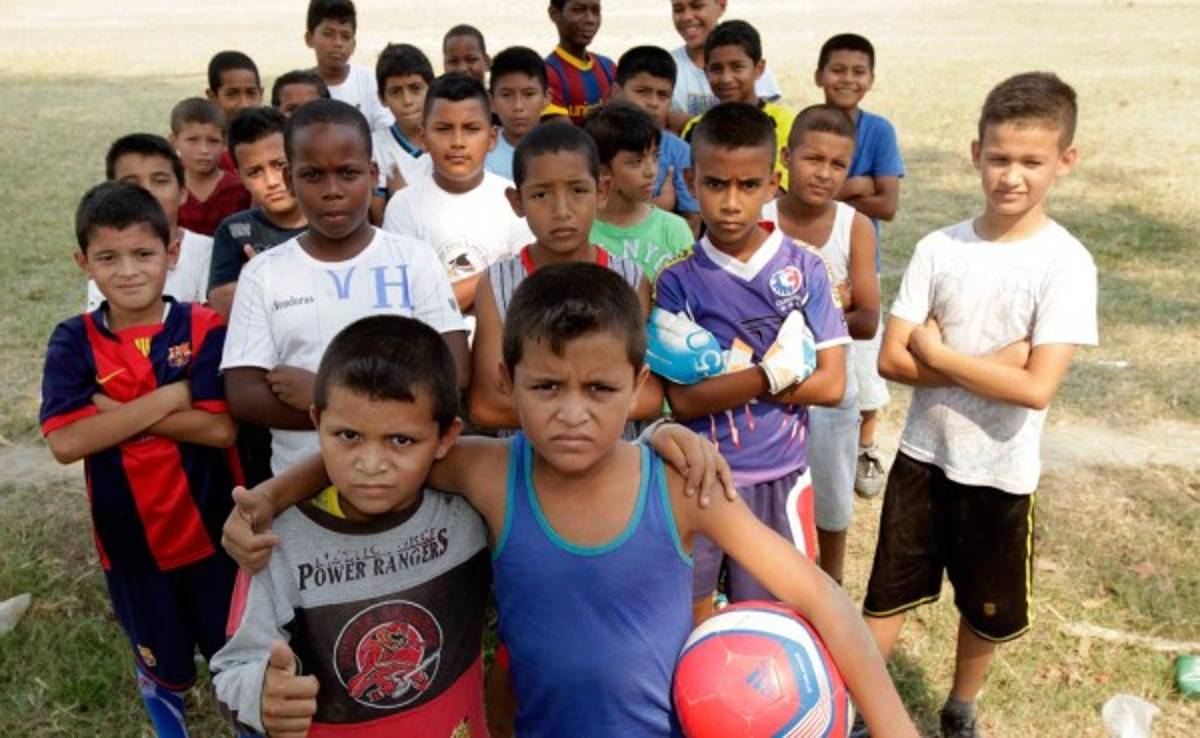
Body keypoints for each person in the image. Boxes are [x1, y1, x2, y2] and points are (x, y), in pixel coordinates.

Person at [221, 264, 918, 738]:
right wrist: (269, 497)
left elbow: (820, 597)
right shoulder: (490, 472)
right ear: (507, 381)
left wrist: (894, 729)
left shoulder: (680, 485)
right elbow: (378, 445)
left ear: (638, 385)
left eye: (600, 390)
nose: (573, 413)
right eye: (547, 387)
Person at [862, 72, 1097, 738]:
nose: (1011, 176)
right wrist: (999, 364)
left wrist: (937, 354)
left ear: (1065, 161)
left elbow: (1036, 387)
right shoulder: (940, 248)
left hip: (1000, 469)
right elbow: (890, 360)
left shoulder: (1066, 264)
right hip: (922, 455)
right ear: (975, 153)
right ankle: (860, 707)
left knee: (985, 605)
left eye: (1031, 162)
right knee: (887, 593)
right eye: (999, 158)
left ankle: (961, 705)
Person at [212, 315, 491, 737]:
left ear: (446, 438)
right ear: (317, 422)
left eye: (400, 440)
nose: (370, 464)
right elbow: (233, 669)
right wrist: (261, 696)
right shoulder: (278, 544)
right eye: (348, 435)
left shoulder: (469, 516)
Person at [42, 181, 240, 738]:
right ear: (84, 263)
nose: (128, 271)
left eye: (143, 253)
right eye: (108, 257)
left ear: (172, 253)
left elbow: (219, 429)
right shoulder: (73, 340)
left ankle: (248, 724)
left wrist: (110, 413)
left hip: (215, 539)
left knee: (233, 656)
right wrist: (171, 396)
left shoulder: (203, 326)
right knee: (162, 665)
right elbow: (66, 443)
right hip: (130, 547)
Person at [655, 102, 849, 617]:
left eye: (748, 186)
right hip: (697, 478)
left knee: (772, 619)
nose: (731, 203)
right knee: (687, 615)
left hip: (779, 475)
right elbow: (682, 400)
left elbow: (831, 386)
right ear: (691, 181)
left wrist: (730, 380)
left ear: (772, 185)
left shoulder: (805, 268)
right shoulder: (676, 279)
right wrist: (772, 372)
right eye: (715, 184)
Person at [220, 99, 468, 478]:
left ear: (372, 174)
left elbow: (454, 371)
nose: (332, 190)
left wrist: (324, 394)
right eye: (313, 175)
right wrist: (388, 409)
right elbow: (245, 395)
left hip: (407, 481)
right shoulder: (263, 274)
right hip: (302, 487)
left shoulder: (414, 259)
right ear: (289, 179)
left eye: (348, 173)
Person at [467, 122, 661, 431]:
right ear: (517, 202)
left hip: (614, 458)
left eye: (578, 191)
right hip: (527, 456)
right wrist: (598, 407)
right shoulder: (499, 283)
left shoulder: (629, 279)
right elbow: (486, 406)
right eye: (541, 195)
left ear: (602, 191)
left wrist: (546, 406)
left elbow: (650, 395)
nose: (561, 210)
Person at [761, 104, 879, 584]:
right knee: (764, 499)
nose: (824, 173)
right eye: (813, 159)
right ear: (787, 157)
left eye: (838, 165)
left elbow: (867, 320)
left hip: (831, 390)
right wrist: (832, 303)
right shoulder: (759, 215)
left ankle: (832, 586)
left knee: (831, 502)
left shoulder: (854, 226)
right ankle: (766, 587)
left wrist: (791, 319)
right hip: (765, 388)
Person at [814, 33, 905, 498]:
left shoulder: (879, 131)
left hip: (861, 261)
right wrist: (857, 185)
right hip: (816, 261)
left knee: (865, 366)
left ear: (871, 79)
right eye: (837, 69)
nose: (847, 79)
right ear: (819, 76)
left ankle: (866, 447)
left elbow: (887, 205)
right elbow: (803, 194)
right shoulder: (809, 125)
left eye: (857, 71)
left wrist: (841, 192)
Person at [382, 74, 532, 317]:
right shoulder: (403, 206)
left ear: (492, 138)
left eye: (471, 129)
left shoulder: (515, 201)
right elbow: (409, 303)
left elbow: (525, 291)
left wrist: (445, 296)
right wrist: (498, 274)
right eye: (444, 129)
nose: (458, 142)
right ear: (423, 139)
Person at [85, 134, 213, 311]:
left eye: (160, 181)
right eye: (131, 184)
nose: (147, 192)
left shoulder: (210, 253)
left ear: (183, 193)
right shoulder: (106, 255)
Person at [207, 107, 308, 321]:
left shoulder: (328, 220)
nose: (271, 182)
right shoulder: (234, 230)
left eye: (279, 165)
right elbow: (221, 304)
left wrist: (258, 281)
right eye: (254, 172)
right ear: (239, 177)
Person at [582, 102, 693, 279]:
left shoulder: (674, 229)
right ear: (602, 169)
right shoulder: (580, 231)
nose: (651, 171)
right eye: (636, 162)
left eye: (655, 156)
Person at [680, 20, 792, 190]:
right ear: (705, 72)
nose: (726, 78)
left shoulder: (782, 121)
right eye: (716, 69)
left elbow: (779, 187)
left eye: (737, 67)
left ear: (759, 68)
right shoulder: (696, 127)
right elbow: (689, 187)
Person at [611, 45, 701, 235]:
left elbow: (692, 223)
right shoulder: (595, 144)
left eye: (663, 95)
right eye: (642, 91)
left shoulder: (680, 152)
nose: (653, 103)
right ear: (616, 91)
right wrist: (656, 206)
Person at [666, 0, 781, 130]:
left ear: (721, 5)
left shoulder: (752, 67)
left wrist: (692, 124)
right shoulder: (665, 68)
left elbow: (772, 120)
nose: (687, 16)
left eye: (697, 6)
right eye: (678, 9)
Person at [369, 43, 435, 222]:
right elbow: (377, 216)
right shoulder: (375, 147)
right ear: (382, 98)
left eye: (415, 88)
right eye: (396, 92)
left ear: (432, 89)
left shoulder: (447, 139)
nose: (407, 101)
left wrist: (401, 196)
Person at [305, 0, 394, 131]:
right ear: (309, 38)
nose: (338, 43)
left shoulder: (370, 81)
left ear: (353, 45)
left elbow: (386, 130)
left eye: (345, 36)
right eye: (328, 34)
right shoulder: (298, 87)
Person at [170, 97, 252, 237]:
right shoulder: (168, 188)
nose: (204, 150)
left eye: (213, 141)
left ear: (224, 144)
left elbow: (243, 236)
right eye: (192, 140)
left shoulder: (239, 189)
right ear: (174, 141)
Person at [486, 46, 554, 182]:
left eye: (529, 94)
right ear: (491, 101)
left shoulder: (561, 150)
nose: (518, 106)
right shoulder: (482, 150)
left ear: (547, 97)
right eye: (506, 95)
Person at [545, 0, 616, 125]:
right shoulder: (547, 73)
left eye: (596, 11)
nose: (590, 20)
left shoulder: (609, 67)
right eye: (578, 10)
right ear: (554, 14)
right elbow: (564, 134)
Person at [205, 50, 264, 135]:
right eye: (232, 94)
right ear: (212, 98)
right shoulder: (202, 141)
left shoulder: (278, 139)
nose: (244, 105)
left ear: (261, 95)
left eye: (251, 93)